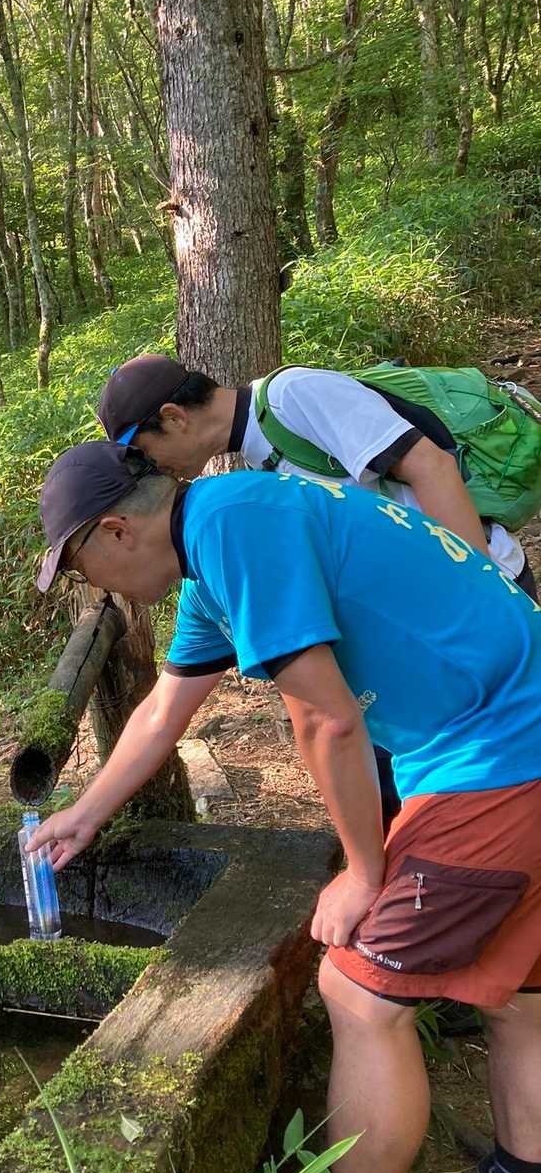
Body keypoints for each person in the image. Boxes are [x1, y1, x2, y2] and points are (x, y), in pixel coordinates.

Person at [31, 440, 541, 1173]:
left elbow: (328, 721)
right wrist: (84, 812)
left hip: (498, 757)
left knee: (359, 994)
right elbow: (165, 708)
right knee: (519, 1000)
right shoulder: (226, 543)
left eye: (81, 568)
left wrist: (364, 871)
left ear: (115, 530)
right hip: (513, 731)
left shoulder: (237, 531)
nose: (94, 588)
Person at [97, 354, 538, 828]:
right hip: (422, 627)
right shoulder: (259, 460)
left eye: (141, 451)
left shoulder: (296, 395)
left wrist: (479, 585)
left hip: (477, 599)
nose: (150, 469)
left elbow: (431, 466)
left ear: (172, 417)